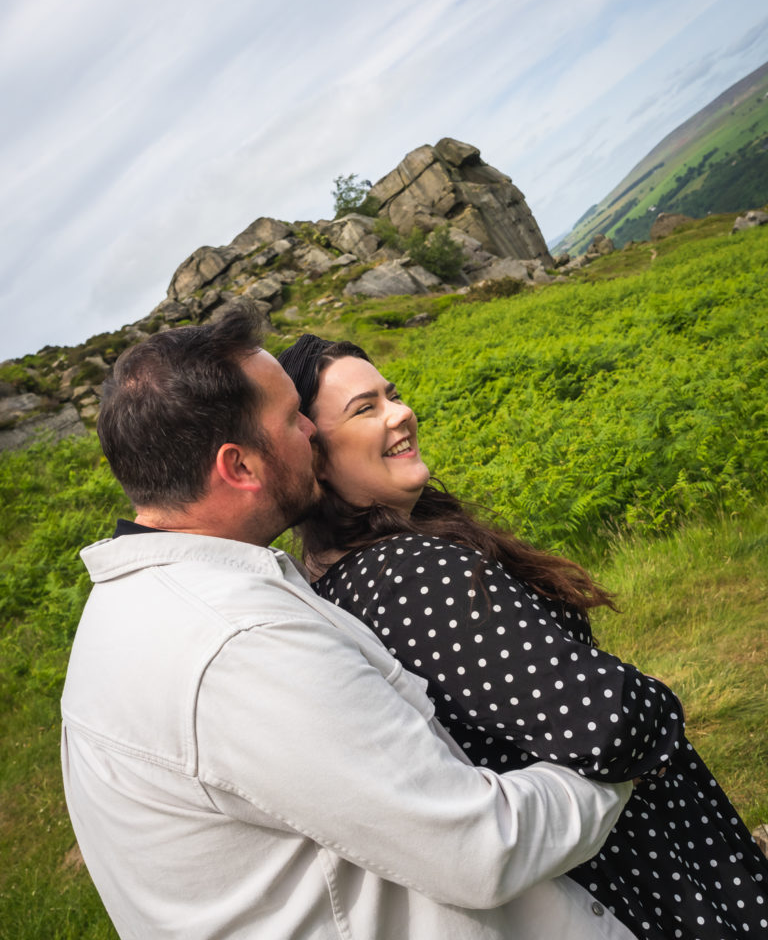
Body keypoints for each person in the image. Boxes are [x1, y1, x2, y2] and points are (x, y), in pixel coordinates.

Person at [61, 304, 640, 940]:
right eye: (293, 420)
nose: (315, 431)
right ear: (240, 467)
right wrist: (621, 750)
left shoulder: (126, 616)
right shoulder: (239, 648)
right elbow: (482, 849)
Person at [278, 332, 768, 940]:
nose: (401, 414)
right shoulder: (409, 576)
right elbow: (603, 723)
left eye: (392, 394)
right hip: (633, 864)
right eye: (365, 408)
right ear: (314, 457)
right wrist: (656, 707)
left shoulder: (346, 570)